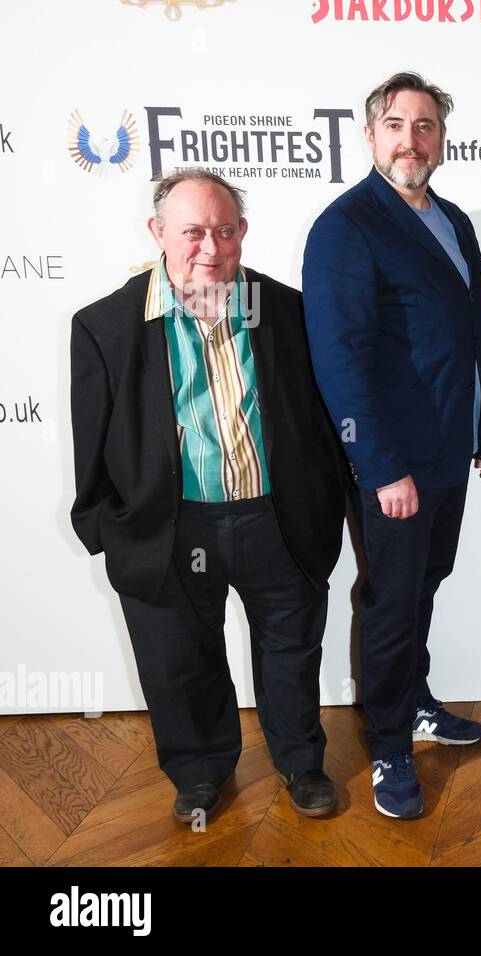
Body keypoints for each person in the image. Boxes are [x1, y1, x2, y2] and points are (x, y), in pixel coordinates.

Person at [70, 169, 347, 824]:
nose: (209, 248)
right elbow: (94, 445)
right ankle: (197, 774)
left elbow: (321, 423)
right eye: (192, 231)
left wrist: (326, 506)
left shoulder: (290, 311)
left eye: (225, 231)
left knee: (291, 654)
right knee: (178, 663)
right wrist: (107, 528)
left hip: (275, 519)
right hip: (168, 530)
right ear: (158, 232)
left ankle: (301, 763)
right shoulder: (104, 327)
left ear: (243, 233)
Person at [302, 72, 481, 819]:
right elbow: (340, 358)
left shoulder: (453, 219)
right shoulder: (346, 225)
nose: (411, 139)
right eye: (396, 124)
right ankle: (388, 743)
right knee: (391, 602)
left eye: (425, 126)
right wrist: (380, 466)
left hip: (451, 449)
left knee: (426, 582)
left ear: (441, 139)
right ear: (369, 135)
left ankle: (414, 701)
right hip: (391, 463)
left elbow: (476, 329)